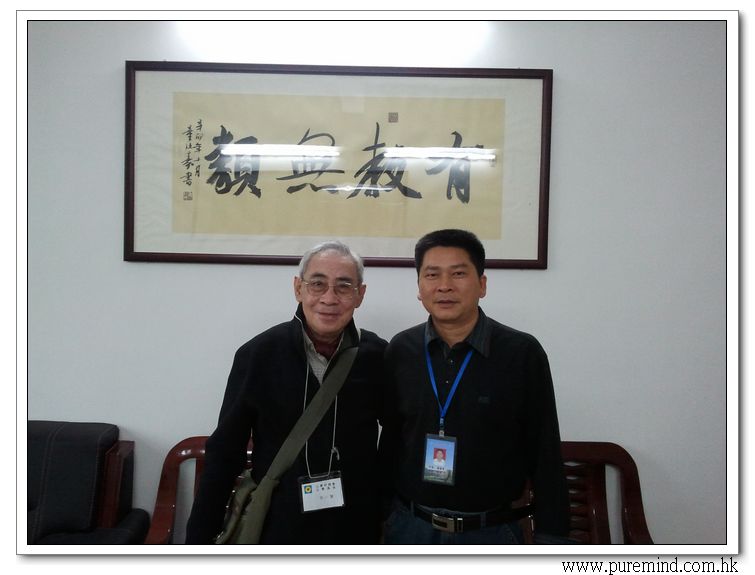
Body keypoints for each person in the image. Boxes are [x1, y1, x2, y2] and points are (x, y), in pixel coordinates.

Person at [185, 241, 386, 544]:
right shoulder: (259, 354)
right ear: (298, 288)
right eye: (317, 284)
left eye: (344, 287)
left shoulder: (378, 356)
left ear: (360, 294)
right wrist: (197, 544)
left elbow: (397, 440)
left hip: (354, 526)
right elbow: (225, 453)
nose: (329, 298)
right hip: (277, 525)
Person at [380, 229, 570, 544]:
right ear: (419, 287)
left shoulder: (521, 353)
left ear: (482, 284)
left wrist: (552, 538)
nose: (444, 286)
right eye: (432, 275)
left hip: (491, 530)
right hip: (411, 526)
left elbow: (544, 450)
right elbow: (391, 440)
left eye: (458, 273)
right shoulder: (401, 350)